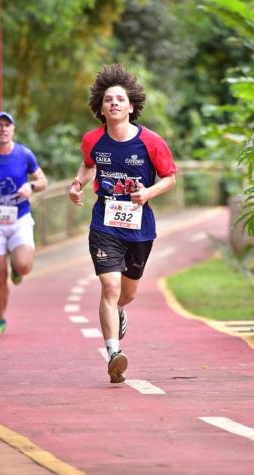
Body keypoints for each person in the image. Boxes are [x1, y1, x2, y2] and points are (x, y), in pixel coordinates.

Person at [69, 64, 177, 383]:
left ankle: (119, 312)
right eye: (108, 100)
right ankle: (114, 353)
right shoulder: (92, 140)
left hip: (140, 228)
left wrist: (148, 192)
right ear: (100, 109)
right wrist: (78, 183)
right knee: (110, 286)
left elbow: (170, 177)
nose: (114, 103)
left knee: (126, 293)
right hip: (104, 224)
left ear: (131, 107)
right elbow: (88, 166)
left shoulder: (151, 142)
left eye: (120, 99)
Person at [0, 111, 48, 335]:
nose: (3, 129)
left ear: (13, 129)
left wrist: (32, 187)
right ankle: (1, 318)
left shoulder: (24, 154)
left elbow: (43, 180)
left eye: (7, 125)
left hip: (20, 218)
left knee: (24, 265)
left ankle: (18, 268)